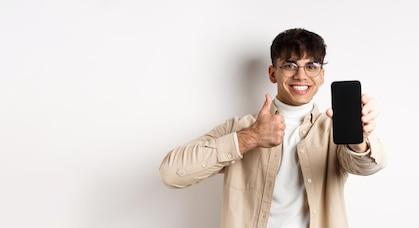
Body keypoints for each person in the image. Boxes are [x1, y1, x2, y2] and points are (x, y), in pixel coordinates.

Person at [159, 28, 387, 228]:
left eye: (311, 66)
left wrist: (358, 139)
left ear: (321, 76)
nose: (301, 75)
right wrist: (249, 138)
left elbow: (367, 167)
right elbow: (171, 174)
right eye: (290, 65)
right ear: (272, 73)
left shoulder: (334, 130)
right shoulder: (240, 127)